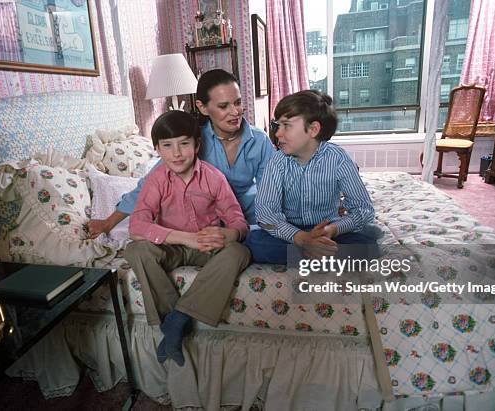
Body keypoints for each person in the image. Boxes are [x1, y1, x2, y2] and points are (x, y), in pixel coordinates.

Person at [124, 111, 251, 367]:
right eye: (167, 146)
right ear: (157, 149)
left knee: (239, 252)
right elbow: (137, 225)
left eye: (184, 143)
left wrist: (230, 233)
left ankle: (178, 318)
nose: (177, 153)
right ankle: (173, 320)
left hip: (206, 247)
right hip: (172, 246)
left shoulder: (213, 177)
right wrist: (186, 238)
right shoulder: (156, 179)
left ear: (196, 145)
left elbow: (239, 221)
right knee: (136, 250)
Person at [86, 69, 274, 238]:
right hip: (206, 227)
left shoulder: (259, 141)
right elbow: (146, 187)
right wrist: (108, 223)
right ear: (202, 107)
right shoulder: (190, 144)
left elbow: (272, 192)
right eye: (224, 106)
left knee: (283, 248)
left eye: (238, 102)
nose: (235, 112)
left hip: (250, 222)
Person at [245, 90, 376, 265]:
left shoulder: (338, 158)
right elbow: (265, 213)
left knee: (368, 246)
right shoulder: (277, 161)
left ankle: (312, 253)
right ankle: (317, 254)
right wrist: (301, 238)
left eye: (286, 125)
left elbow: (364, 209)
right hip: (291, 232)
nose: (277, 134)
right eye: (278, 125)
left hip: (328, 231)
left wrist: (333, 229)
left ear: (313, 129)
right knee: (255, 243)